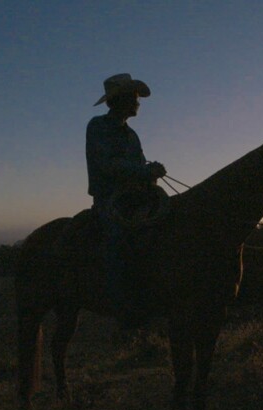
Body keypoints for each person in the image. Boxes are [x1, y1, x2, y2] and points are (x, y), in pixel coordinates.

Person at [86, 73, 166, 327]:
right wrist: (145, 171)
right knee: (118, 238)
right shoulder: (98, 126)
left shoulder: (132, 135)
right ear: (118, 101)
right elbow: (108, 165)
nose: (138, 102)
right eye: (133, 97)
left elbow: (137, 165)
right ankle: (120, 304)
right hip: (111, 200)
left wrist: (150, 172)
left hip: (137, 198)